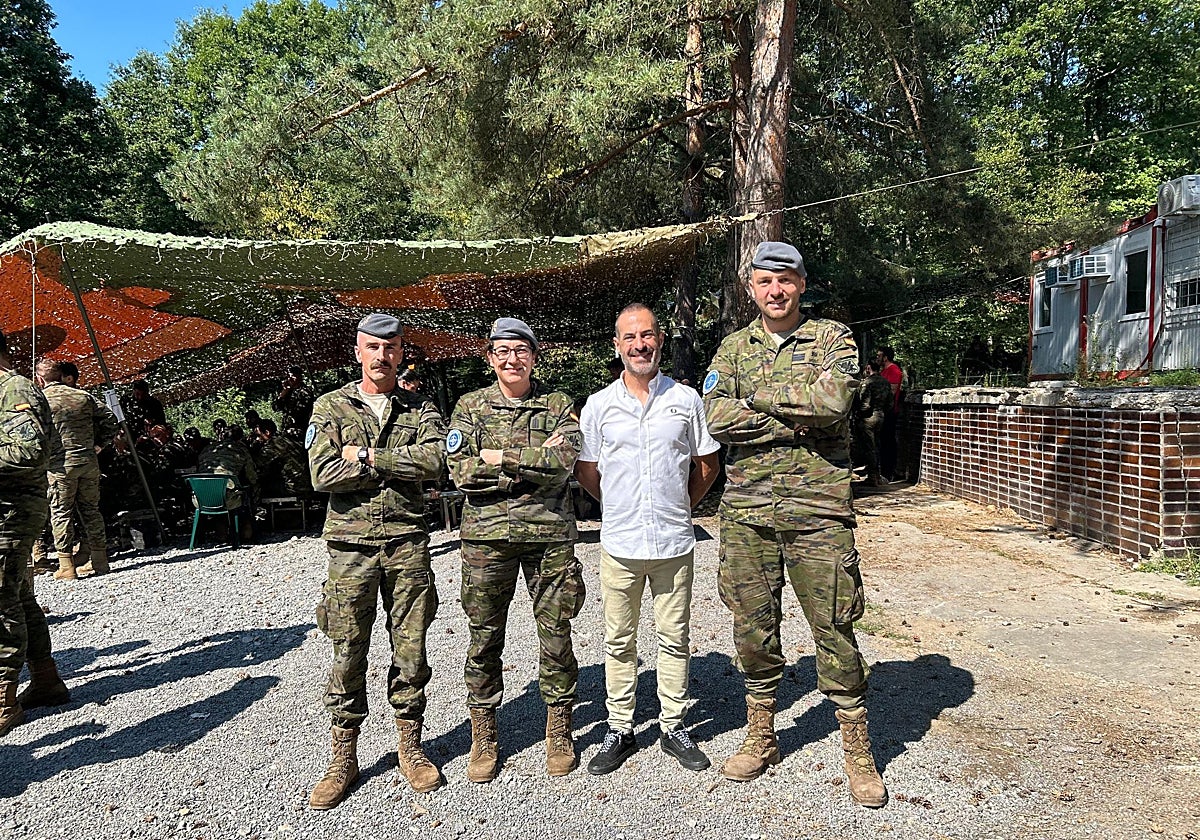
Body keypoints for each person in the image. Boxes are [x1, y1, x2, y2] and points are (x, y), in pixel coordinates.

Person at [702, 241, 887, 807]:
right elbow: (716, 417)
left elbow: (832, 404)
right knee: (752, 626)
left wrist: (755, 398)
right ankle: (762, 734)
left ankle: (856, 748)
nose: (775, 290)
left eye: (785, 279)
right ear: (751, 289)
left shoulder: (832, 338)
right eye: (764, 281)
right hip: (747, 514)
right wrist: (795, 417)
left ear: (802, 285)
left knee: (833, 624)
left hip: (818, 512)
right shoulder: (732, 347)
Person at [306, 313, 447, 808]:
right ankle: (343, 757)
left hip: (406, 541)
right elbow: (322, 474)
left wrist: (365, 456)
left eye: (390, 347)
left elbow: (435, 462)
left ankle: (410, 746)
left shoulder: (420, 407)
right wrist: (397, 465)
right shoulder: (331, 405)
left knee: (411, 648)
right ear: (358, 352)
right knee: (348, 649)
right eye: (373, 347)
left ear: (401, 352)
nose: (382, 356)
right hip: (351, 547)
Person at [575, 303, 720, 775]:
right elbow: (587, 471)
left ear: (660, 339)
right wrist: (620, 505)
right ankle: (621, 727)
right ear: (617, 345)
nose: (640, 345)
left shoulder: (686, 399)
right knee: (619, 640)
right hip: (620, 544)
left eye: (648, 335)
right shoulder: (598, 406)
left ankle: (673, 725)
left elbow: (707, 464)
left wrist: (680, 507)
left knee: (674, 638)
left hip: (674, 543)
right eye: (631, 337)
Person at [446, 317, 584, 783]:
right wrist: (529, 464)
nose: (512, 359)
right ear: (490, 357)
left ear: (534, 355)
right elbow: (461, 472)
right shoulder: (470, 406)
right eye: (502, 351)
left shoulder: (558, 403)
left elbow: (563, 464)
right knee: (484, 635)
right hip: (487, 538)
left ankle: (559, 728)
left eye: (521, 350)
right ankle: (483, 733)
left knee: (556, 632)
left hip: (548, 536)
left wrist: (496, 458)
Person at [1, 331, 70, 737]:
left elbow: (29, 451)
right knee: (19, 595)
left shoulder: (13, 388)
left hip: (11, 510)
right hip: (11, 508)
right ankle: (45, 679)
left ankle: (4, 699)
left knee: (1, 601)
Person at [35, 359, 120, 579]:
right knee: (91, 510)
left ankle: (66, 566)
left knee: (61, 513)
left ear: (40, 379)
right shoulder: (83, 396)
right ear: (61, 376)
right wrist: (99, 444)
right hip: (88, 462)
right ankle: (100, 562)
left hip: (60, 467)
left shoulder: (39, 400)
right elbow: (111, 419)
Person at [855, 361, 892, 487]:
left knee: (869, 447)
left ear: (868, 368)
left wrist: (859, 414)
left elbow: (865, 404)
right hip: (880, 415)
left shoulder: (867, 383)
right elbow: (890, 403)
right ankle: (877, 475)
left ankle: (872, 477)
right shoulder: (885, 382)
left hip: (868, 417)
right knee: (876, 445)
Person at [255, 418, 312, 498]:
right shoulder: (287, 438)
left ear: (267, 432)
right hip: (309, 483)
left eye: (259, 435)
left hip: (294, 486)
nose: (257, 439)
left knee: (259, 486)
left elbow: (257, 464)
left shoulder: (273, 445)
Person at [875, 347, 902, 481]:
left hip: (889, 412)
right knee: (881, 442)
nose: (877, 358)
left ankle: (889, 472)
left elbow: (891, 391)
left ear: (885, 357)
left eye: (879, 356)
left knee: (888, 441)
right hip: (881, 412)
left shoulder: (894, 370)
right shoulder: (883, 371)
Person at [274, 366, 316, 439]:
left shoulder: (305, 391)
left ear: (299, 377)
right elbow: (276, 408)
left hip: (300, 428)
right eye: (288, 376)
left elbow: (302, 410)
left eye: (293, 376)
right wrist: (282, 395)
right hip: (287, 429)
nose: (290, 379)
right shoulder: (287, 391)